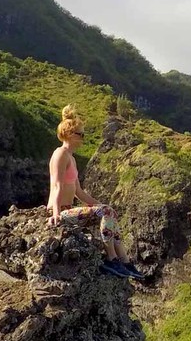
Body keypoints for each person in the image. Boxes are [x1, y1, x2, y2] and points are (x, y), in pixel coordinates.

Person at [46, 104, 144, 279]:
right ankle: (111, 259)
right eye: (80, 134)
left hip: (69, 209)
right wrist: (55, 213)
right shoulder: (60, 154)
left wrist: (100, 205)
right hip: (62, 210)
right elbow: (57, 186)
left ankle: (125, 261)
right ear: (69, 134)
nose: (83, 138)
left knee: (109, 211)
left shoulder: (71, 159)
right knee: (106, 211)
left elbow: (79, 192)